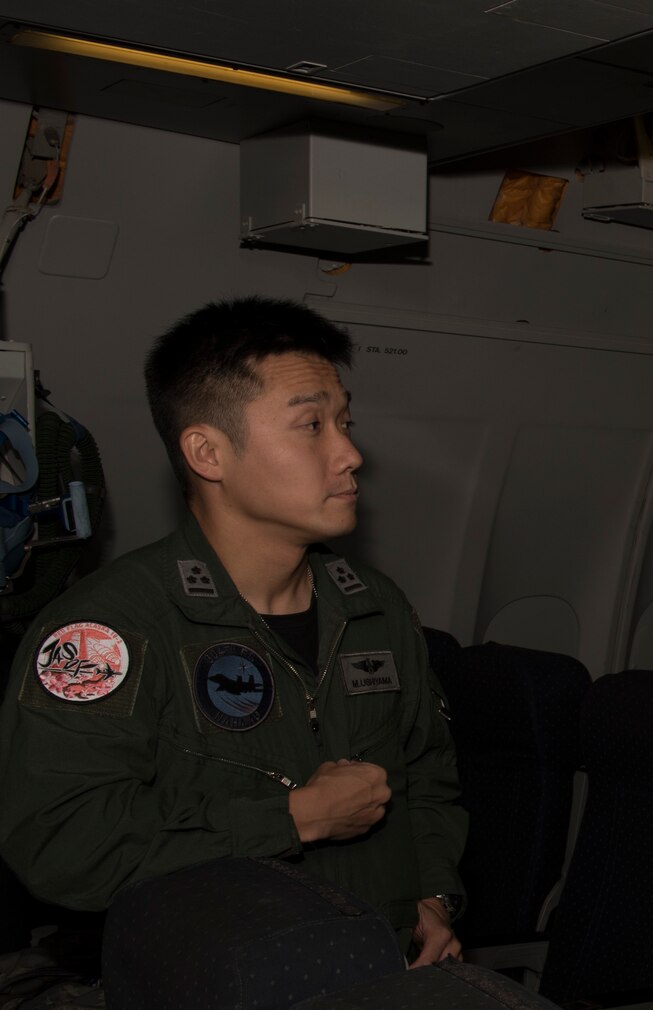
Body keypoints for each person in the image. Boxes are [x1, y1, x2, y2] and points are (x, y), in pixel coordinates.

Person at [0, 298, 467, 964]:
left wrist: (431, 895)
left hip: (377, 981)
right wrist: (296, 818)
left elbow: (427, 776)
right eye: (311, 424)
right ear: (207, 451)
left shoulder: (374, 609)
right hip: (214, 1001)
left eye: (344, 421)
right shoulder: (111, 631)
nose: (350, 453)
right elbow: (62, 843)